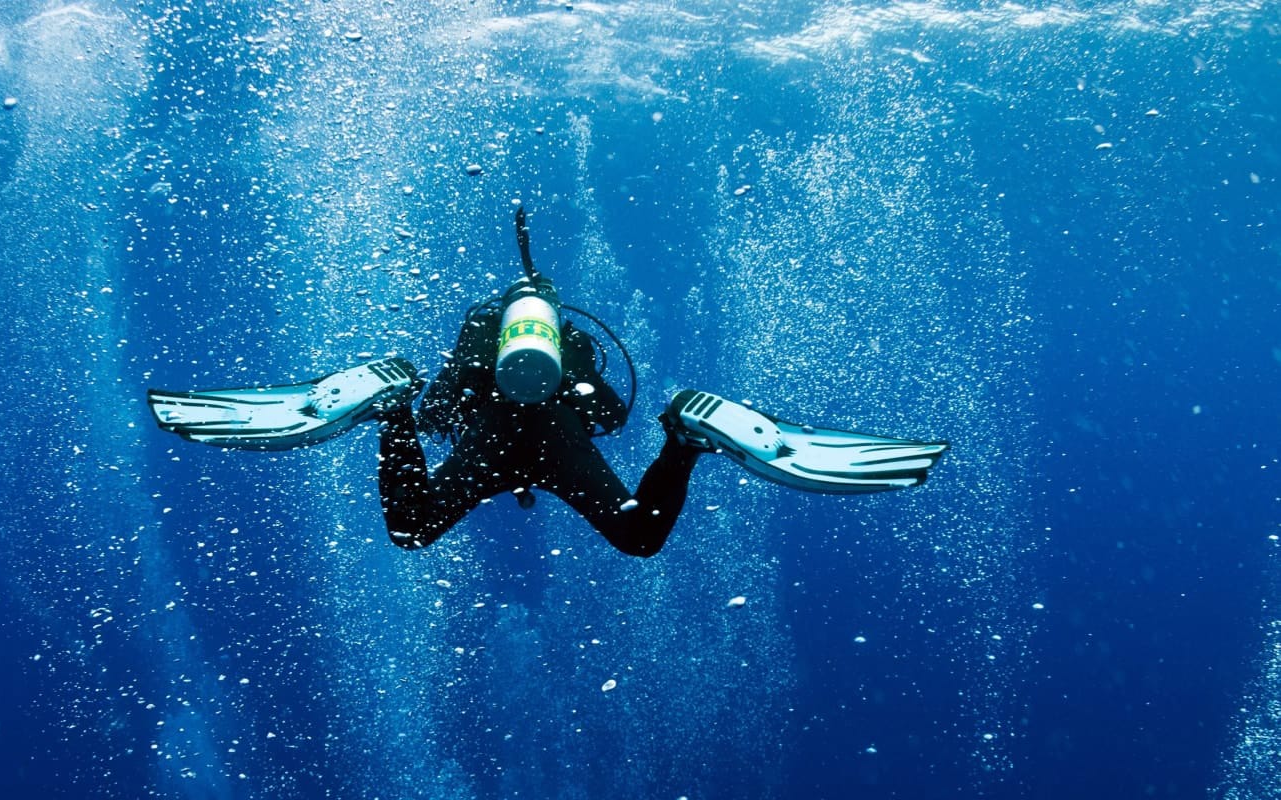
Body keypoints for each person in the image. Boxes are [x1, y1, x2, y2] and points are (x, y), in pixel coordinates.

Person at [148, 210, 948, 557]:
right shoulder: (571, 340)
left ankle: (382, 402)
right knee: (636, 533)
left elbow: (445, 409)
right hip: (559, 442)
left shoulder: (480, 331)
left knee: (413, 528)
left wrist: (411, 418)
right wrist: (588, 410)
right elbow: (606, 412)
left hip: (491, 439)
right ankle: (687, 432)